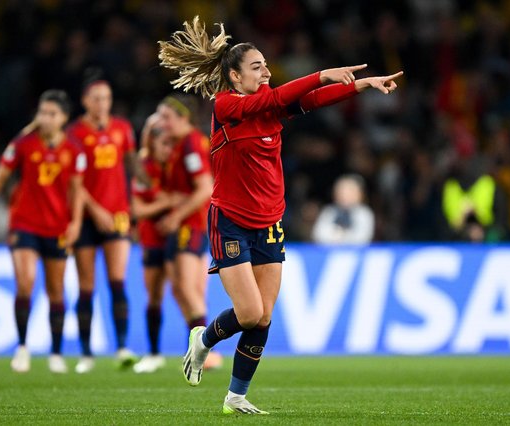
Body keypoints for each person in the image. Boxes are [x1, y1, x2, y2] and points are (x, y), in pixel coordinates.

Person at [159, 16, 402, 415]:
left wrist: (360, 84)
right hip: (231, 220)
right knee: (249, 312)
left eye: (267, 65)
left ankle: (235, 396)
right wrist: (322, 74)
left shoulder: (271, 109)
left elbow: (309, 101)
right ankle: (202, 341)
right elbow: (278, 98)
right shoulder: (227, 107)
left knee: (263, 317)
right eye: (257, 67)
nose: (267, 71)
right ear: (234, 77)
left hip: (269, 221)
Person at [0, 90, 85, 374]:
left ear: (64, 118)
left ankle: (56, 353)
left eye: (52, 114)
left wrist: (76, 223)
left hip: (57, 226)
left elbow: (77, 191)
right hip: (24, 224)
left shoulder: (75, 150)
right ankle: (22, 348)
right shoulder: (22, 144)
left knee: (56, 291)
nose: (45, 118)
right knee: (26, 282)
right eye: (42, 112)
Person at [66, 78, 138, 373]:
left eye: (106, 98)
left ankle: (121, 347)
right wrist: (95, 211)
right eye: (96, 98)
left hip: (117, 214)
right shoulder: (73, 134)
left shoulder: (122, 129)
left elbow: (132, 169)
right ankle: (86, 353)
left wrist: (135, 204)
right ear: (85, 101)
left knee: (117, 281)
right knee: (86, 286)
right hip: (85, 218)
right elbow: (73, 183)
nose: (101, 104)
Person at [155, 93, 222, 369]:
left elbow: (204, 188)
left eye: (166, 117)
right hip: (185, 222)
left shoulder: (192, 144)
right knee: (181, 289)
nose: (161, 122)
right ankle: (197, 346)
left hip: (190, 223)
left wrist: (176, 216)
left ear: (183, 118)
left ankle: (205, 350)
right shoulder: (178, 145)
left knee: (187, 287)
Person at [130, 113, 173, 373]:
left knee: (186, 292)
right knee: (154, 296)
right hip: (152, 238)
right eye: (163, 143)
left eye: (170, 144)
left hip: (181, 237)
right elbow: (138, 209)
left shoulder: (179, 164)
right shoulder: (144, 167)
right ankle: (154, 352)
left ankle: (203, 350)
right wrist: (167, 202)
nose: (168, 149)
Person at [312, 174, 375, 244]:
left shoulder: (364, 213)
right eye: (341, 192)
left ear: (359, 194)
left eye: (349, 192)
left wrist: (341, 236)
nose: (344, 196)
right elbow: (318, 235)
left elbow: (363, 238)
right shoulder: (329, 211)